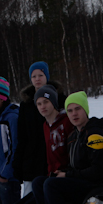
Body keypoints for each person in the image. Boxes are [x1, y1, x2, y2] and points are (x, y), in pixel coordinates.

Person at [35, 91, 103, 204]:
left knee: (51, 185)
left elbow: (98, 170)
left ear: (85, 110)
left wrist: (68, 175)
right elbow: (75, 165)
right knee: (39, 183)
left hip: (95, 185)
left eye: (78, 109)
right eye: (70, 111)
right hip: (80, 180)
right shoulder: (73, 136)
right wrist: (63, 172)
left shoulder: (94, 133)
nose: (74, 114)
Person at [9, 84, 73, 204]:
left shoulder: (66, 121)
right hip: (49, 180)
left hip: (63, 181)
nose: (43, 106)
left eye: (46, 102)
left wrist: (65, 172)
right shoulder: (46, 126)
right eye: (39, 103)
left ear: (53, 103)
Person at [12, 61, 64, 196]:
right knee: (29, 199)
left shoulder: (60, 99)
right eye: (33, 76)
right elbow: (22, 137)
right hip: (31, 160)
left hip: (54, 157)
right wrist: (18, 163)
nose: (37, 79)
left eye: (40, 75)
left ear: (47, 76)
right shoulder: (26, 104)